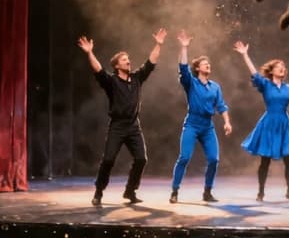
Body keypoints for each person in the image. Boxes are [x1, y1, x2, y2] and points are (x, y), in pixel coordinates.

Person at [77, 28, 166, 206]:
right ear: (117, 65)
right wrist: (90, 53)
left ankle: (130, 191)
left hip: (134, 125)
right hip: (117, 125)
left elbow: (151, 62)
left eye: (128, 59)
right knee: (108, 159)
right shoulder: (111, 82)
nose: (128, 62)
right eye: (124, 60)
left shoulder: (137, 78)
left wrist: (158, 44)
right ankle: (99, 191)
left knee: (141, 159)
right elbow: (98, 70)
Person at [233, 40, 289, 200]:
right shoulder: (266, 84)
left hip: (284, 123)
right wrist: (245, 55)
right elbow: (254, 74)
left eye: (283, 69)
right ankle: (261, 191)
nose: (282, 70)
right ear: (272, 71)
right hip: (269, 123)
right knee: (265, 159)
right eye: (279, 68)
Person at [169, 29, 232, 204]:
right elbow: (182, 68)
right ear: (197, 68)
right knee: (185, 157)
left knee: (214, 159)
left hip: (207, 126)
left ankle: (207, 192)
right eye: (205, 64)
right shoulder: (191, 83)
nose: (208, 66)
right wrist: (184, 48)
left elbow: (221, 106)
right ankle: (174, 191)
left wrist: (227, 122)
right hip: (192, 123)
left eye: (209, 64)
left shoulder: (215, 87)